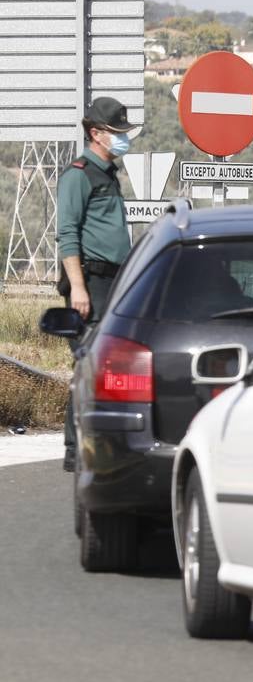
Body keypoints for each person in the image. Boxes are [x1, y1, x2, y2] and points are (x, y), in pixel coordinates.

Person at [57, 96, 136, 471]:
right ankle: (75, 449)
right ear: (95, 133)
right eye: (116, 133)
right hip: (91, 282)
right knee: (88, 364)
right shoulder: (79, 174)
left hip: (112, 283)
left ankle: (102, 442)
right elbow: (67, 234)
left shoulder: (107, 173)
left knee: (107, 365)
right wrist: (78, 288)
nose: (123, 139)